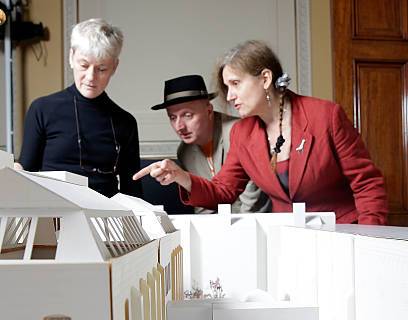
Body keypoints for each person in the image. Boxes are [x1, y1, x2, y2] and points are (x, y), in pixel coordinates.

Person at [134, 40, 388, 224]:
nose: (230, 95)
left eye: (235, 84)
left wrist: (367, 241)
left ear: (265, 79)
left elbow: (368, 185)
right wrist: (182, 177)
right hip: (287, 240)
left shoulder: (325, 116)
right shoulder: (243, 133)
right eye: (226, 86)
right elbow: (223, 192)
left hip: (343, 234)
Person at [17, 18, 142, 199]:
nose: (91, 77)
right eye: (84, 65)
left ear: (114, 67)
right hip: (51, 215)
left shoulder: (126, 122)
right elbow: (26, 172)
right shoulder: (42, 109)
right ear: (71, 57)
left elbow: (133, 192)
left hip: (104, 218)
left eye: (102, 69)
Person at [151, 74, 268, 213]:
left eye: (187, 115)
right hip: (218, 229)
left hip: (257, 224)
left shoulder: (243, 131)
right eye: (172, 117)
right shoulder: (184, 151)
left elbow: (253, 205)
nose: (179, 126)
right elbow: (203, 208)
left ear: (209, 110)